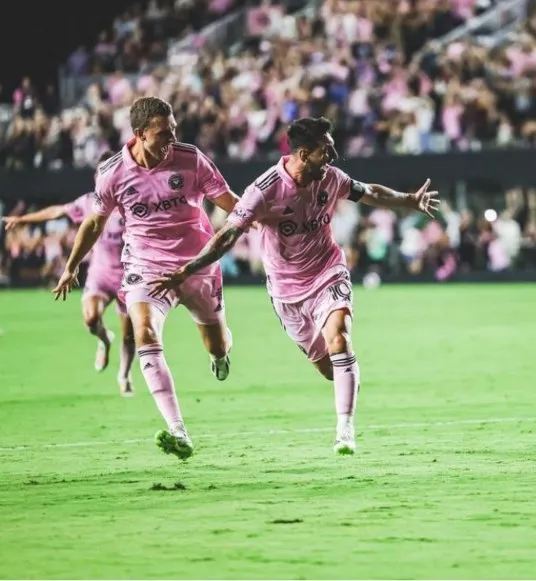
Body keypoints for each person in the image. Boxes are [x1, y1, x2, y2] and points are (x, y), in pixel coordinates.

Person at [149, 117, 439, 455]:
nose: (332, 156)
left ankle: (344, 433)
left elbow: (368, 191)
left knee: (340, 338)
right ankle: (345, 381)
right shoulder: (265, 189)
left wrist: (409, 200)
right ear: (304, 153)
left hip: (327, 271)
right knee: (329, 369)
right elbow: (227, 235)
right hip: (287, 291)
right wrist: (189, 268)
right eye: (325, 150)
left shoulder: (330, 178)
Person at [52, 97, 241, 461]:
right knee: (145, 333)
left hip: (198, 262)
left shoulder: (191, 158)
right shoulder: (113, 173)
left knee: (216, 345)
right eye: (163, 132)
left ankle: (221, 354)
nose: (172, 137)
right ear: (139, 134)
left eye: (173, 129)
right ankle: (178, 430)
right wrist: (71, 265)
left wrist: (266, 218)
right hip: (146, 265)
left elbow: (228, 201)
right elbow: (94, 222)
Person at [3, 151, 136, 395]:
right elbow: (57, 211)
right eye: (101, 173)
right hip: (100, 274)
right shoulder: (88, 203)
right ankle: (104, 339)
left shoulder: (131, 204)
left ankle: (124, 375)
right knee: (90, 318)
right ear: (97, 177)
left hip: (129, 277)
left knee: (130, 335)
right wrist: (23, 219)